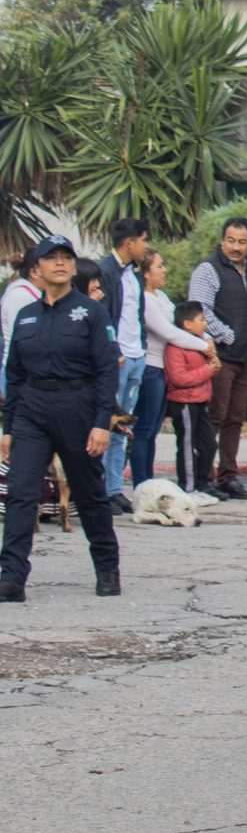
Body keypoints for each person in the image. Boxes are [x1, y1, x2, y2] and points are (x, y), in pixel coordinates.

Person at [0, 236, 120, 602]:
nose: (60, 264)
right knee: (20, 493)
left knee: (89, 493)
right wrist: (7, 429)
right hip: (33, 410)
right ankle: (11, 577)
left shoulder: (91, 312)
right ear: (36, 269)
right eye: (50, 258)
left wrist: (102, 422)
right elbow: (15, 375)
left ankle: (107, 567)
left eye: (65, 257)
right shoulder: (27, 315)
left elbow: (106, 371)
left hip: (77, 407)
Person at [188, 217, 247, 501]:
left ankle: (228, 477)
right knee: (215, 418)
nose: (236, 247)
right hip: (219, 357)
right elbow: (201, 310)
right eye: (231, 240)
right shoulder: (208, 270)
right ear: (222, 240)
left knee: (235, 418)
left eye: (242, 241)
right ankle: (204, 476)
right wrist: (229, 336)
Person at [136, 249, 215, 496]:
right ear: (146, 273)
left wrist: (206, 339)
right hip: (153, 365)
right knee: (145, 429)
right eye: (159, 266)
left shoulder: (161, 297)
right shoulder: (146, 299)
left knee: (153, 431)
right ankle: (142, 482)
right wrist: (205, 347)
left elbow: (183, 326)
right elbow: (170, 333)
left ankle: (148, 480)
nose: (164, 270)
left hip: (163, 367)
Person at [95, 218, 150, 502]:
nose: (146, 246)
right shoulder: (105, 271)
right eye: (144, 240)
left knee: (123, 427)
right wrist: (112, 350)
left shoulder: (133, 274)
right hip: (117, 359)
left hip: (136, 355)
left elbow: (136, 313)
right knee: (107, 423)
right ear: (130, 242)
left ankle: (115, 488)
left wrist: (141, 346)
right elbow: (102, 315)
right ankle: (102, 489)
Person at [165, 303, 218, 497]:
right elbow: (178, 378)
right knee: (187, 445)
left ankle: (203, 482)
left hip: (200, 400)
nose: (204, 323)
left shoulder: (200, 344)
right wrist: (208, 370)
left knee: (209, 444)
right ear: (187, 324)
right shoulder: (176, 347)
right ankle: (188, 486)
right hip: (184, 402)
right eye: (201, 320)